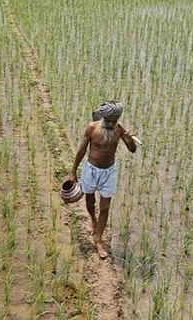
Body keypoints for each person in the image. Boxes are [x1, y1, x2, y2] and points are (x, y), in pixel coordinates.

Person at [69, 101, 137, 258]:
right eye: (110, 121)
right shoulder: (92, 128)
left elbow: (132, 150)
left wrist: (130, 140)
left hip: (109, 172)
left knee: (105, 206)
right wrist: (73, 172)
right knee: (89, 201)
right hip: (91, 170)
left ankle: (98, 240)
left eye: (115, 120)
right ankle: (93, 219)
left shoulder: (119, 130)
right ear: (104, 118)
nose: (112, 124)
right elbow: (81, 150)